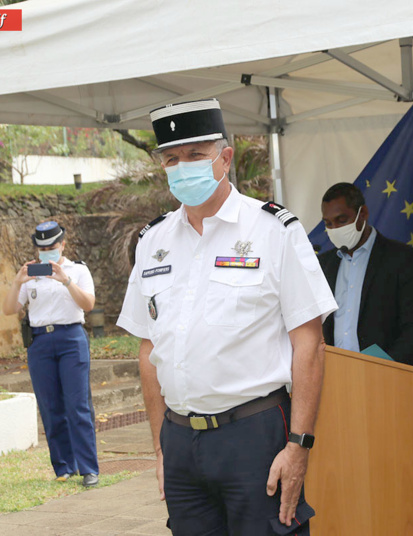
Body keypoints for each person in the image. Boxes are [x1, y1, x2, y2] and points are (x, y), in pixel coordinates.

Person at [117, 99, 337, 536]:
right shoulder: (153, 241)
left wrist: (299, 445)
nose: (183, 167)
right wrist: (161, 448)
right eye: (172, 159)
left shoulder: (273, 230)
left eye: (195, 155)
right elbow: (148, 349)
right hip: (180, 440)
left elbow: (309, 343)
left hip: (253, 434)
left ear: (225, 157)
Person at [2, 221, 99, 487]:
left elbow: (88, 304)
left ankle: (88, 468)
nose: (47, 252)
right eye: (42, 249)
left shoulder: (78, 270)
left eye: (52, 247)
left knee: (77, 405)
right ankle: (64, 466)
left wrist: (66, 280)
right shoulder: (31, 274)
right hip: (40, 342)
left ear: (63, 245)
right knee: (50, 405)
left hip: (71, 338)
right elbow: (9, 309)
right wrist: (17, 282)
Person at [317, 182, 413, 367]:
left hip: (388, 375)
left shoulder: (401, 258)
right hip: (336, 376)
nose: (335, 228)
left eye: (342, 220)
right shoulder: (323, 265)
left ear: (363, 214)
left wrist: (381, 367)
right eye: (328, 224)